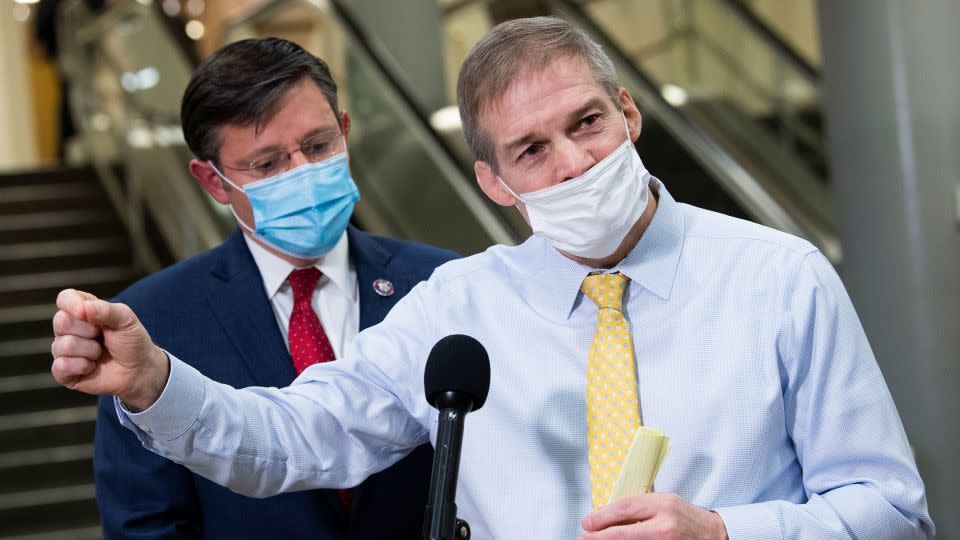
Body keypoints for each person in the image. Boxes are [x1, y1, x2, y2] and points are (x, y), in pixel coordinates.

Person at [52, 18, 934, 539]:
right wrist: (156, 383)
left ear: (629, 114)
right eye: (530, 150)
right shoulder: (459, 307)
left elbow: (892, 509)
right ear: (493, 183)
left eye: (587, 122)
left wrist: (726, 532)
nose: (573, 163)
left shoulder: (781, 278)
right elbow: (293, 437)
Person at [89, 38, 457, 539]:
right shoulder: (151, 323)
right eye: (267, 165)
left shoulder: (441, 284)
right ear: (214, 182)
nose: (303, 172)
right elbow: (146, 524)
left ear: (345, 132)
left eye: (319, 145)